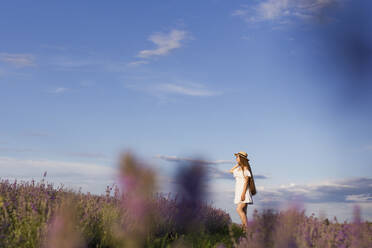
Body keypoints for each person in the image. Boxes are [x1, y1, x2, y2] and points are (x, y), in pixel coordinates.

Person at [229, 151, 253, 231]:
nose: (236, 158)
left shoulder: (245, 169)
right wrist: (238, 164)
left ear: (241, 158)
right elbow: (230, 171)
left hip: (244, 192)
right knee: (244, 212)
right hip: (239, 192)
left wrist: (243, 194)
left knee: (239, 209)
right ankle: (244, 231)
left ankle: (247, 229)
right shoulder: (238, 169)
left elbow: (246, 182)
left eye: (237, 157)